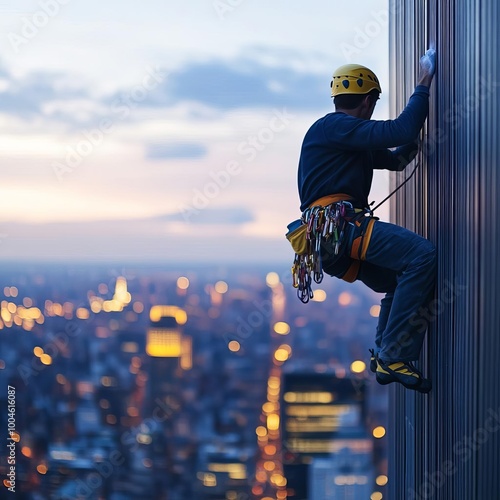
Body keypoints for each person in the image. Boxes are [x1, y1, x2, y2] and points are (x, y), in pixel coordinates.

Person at [296, 51, 437, 393]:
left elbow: (395, 160)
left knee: (399, 280)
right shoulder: (336, 126)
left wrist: (418, 142)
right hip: (341, 227)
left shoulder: (343, 138)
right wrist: (424, 82)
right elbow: (399, 129)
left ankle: (384, 354)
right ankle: (393, 355)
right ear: (369, 101)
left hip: (328, 241)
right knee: (421, 256)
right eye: (374, 101)